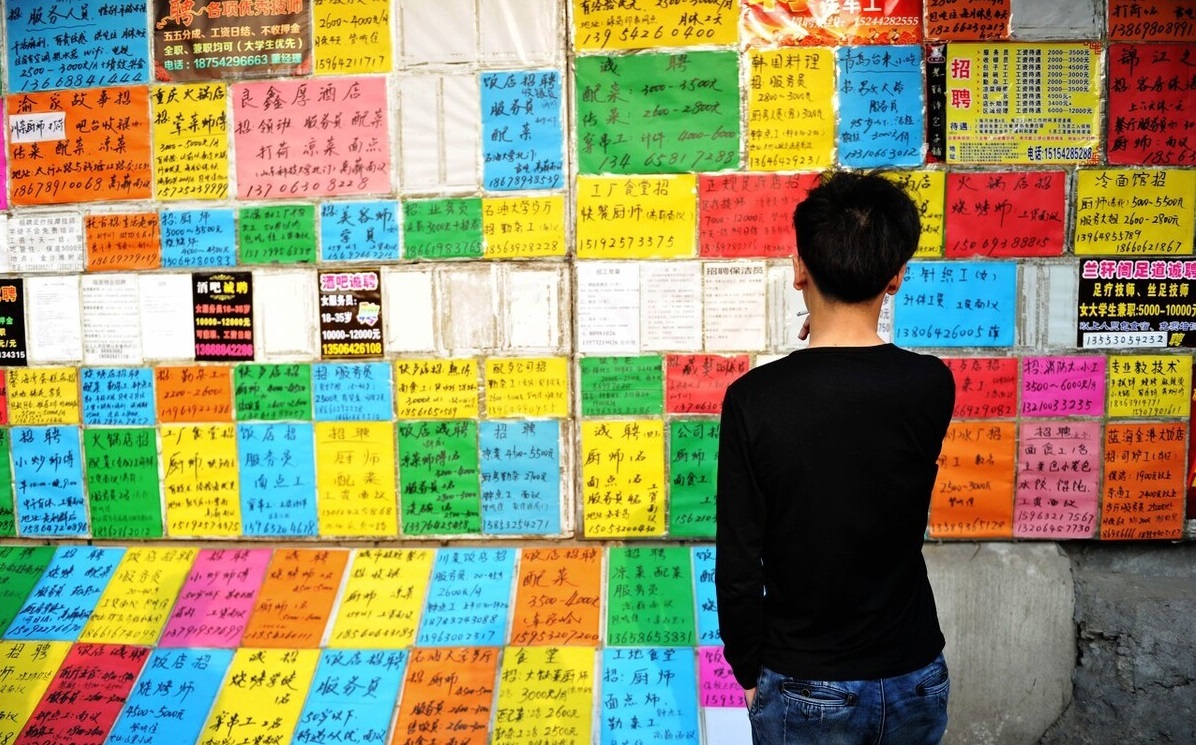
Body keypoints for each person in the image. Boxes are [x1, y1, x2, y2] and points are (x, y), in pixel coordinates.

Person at [715, 170, 956, 745]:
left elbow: (740, 561)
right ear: (896, 276)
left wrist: (746, 669)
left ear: (799, 269)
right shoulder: (931, 384)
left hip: (804, 676)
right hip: (915, 670)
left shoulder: (754, 399)